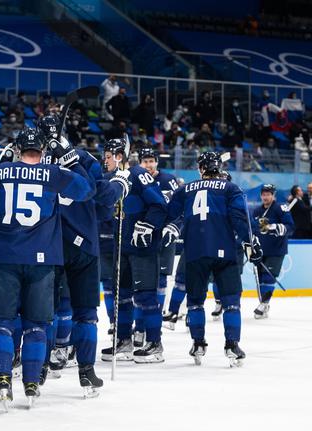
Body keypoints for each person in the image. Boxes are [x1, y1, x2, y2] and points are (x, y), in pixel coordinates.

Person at [0, 127, 95, 408]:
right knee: (36, 326)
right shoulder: (53, 174)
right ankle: (31, 383)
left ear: (18, 149)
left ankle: (3, 379)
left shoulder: (0, 171)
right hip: (42, 259)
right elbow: (87, 190)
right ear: (43, 152)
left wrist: (2, 164)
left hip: (5, 257)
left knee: (3, 323)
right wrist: (69, 158)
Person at [40, 117, 131, 398]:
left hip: (44, 245)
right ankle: (86, 372)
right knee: (86, 315)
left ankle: (38, 367)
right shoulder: (81, 157)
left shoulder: (30, 160)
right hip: (82, 246)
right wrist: (120, 185)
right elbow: (101, 198)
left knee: (43, 314)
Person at [167, 151, 262, 367]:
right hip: (225, 252)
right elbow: (240, 218)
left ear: (200, 169)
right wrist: (250, 242)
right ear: (219, 168)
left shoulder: (185, 190)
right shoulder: (230, 188)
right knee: (231, 303)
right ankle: (232, 345)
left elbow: (170, 214)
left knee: (195, 303)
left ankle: (198, 343)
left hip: (194, 253)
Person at [100, 137, 168, 363]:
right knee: (122, 295)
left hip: (142, 247)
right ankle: (124, 341)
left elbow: (159, 204)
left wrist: (148, 224)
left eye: (108, 156)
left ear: (119, 156)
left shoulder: (138, 174)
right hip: (122, 247)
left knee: (146, 295)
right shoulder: (112, 179)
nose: (104, 160)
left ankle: (155, 344)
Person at [136, 147, 181, 333]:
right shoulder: (136, 178)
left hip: (164, 237)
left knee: (161, 281)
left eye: (151, 161)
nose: (148, 164)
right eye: (145, 161)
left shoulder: (169, 180)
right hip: (142, 238)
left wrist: (175, 226)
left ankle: (155, 319)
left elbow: (179, 206)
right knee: (140, 282)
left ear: (157, 161)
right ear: (140, 162)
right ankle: (139, 326)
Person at [251, 184, 295, 319]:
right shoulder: (257, 211)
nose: (265, 196)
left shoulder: (281, 208)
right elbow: (253, 229)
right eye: (263, 194)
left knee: (268, 277)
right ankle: (264, 305)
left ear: (273, 195)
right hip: (261, 250)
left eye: (268, 194)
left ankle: (264, 303)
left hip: (276, 250)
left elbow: (291, 227)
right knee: (260, 280)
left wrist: (276, 227)